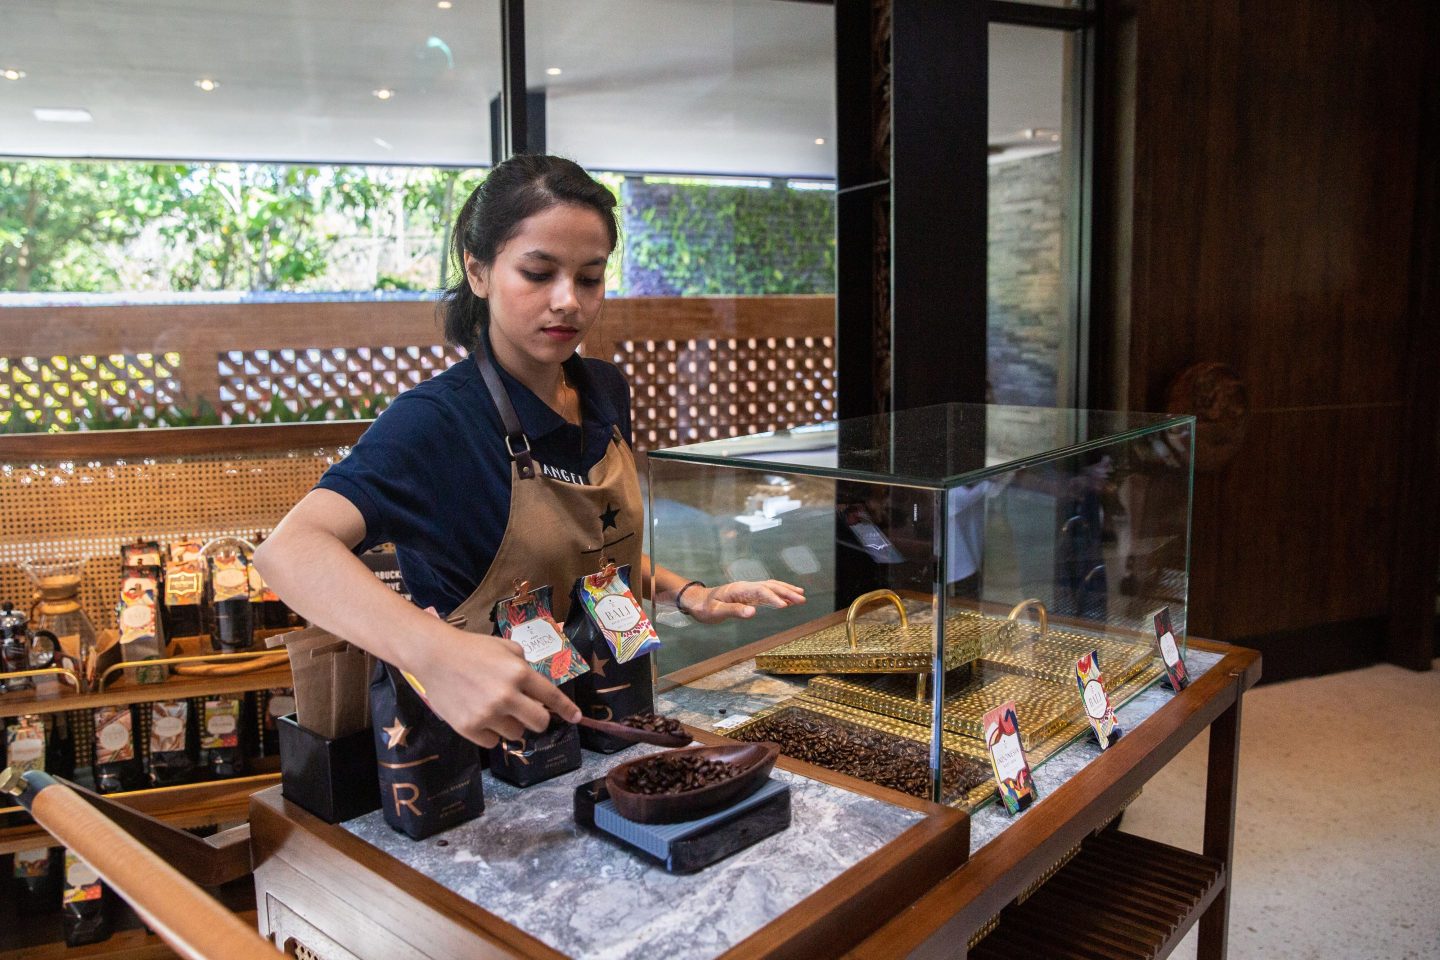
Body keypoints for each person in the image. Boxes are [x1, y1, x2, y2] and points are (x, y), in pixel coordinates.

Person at [254, 155, 804, 749]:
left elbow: (585, 555)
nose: (568, 300)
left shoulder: (603, 389)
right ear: (479, 271)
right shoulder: (438, 421)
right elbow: (289, 552)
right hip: (492, 754)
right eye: (539, 273)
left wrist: (687, 593)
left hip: (616, 719)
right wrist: (432, 651)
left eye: (589, 277)